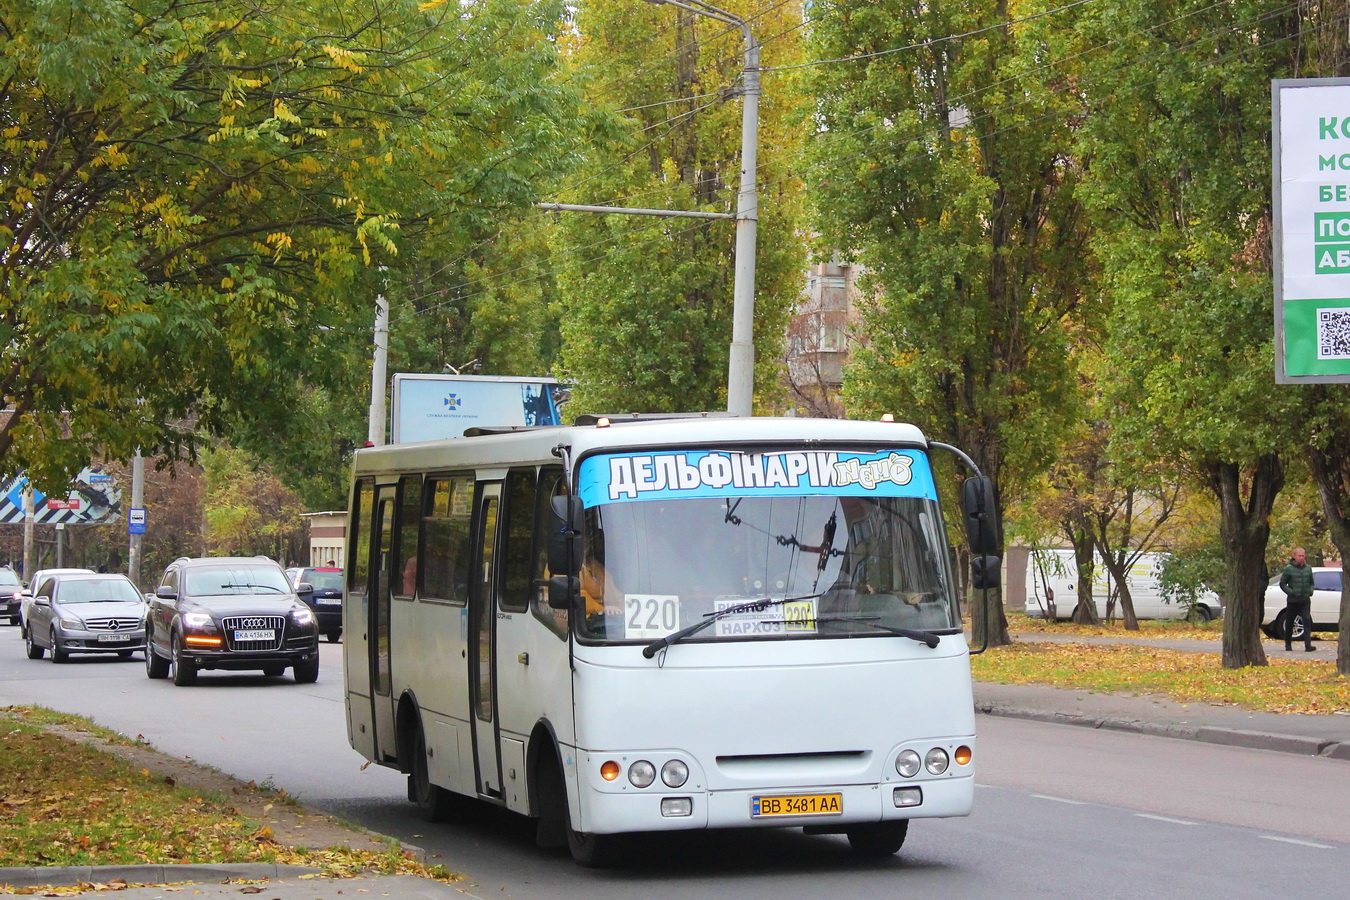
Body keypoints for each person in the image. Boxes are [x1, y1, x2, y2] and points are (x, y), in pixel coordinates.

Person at [1278, 547, 1316, 652]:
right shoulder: (1289, 568)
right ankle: (1288, 644)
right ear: (1294, 556)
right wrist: (1291, 592)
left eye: (1303, 555)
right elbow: (1282, 584)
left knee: (1307, 621)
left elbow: (1311, 582)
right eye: (1299, 556)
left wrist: (1310, 591)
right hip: (1293, 600)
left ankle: (1308, 645)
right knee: (1290, 621)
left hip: (1305, 600)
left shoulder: (1308, 568)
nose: (1301, 558)